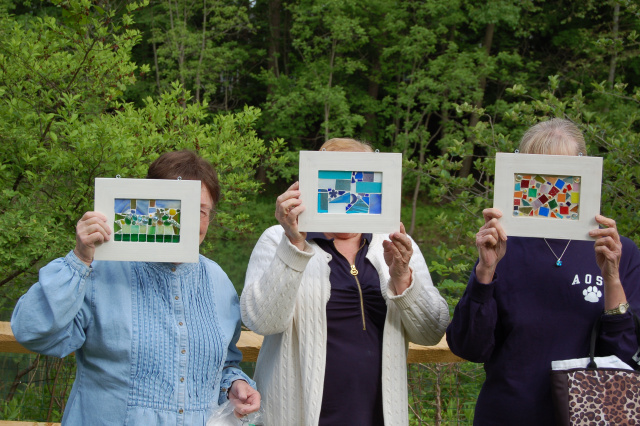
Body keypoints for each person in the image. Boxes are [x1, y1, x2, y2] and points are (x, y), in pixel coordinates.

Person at [11, 150, 260, 425]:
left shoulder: (218, 280)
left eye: (200, 211)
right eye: (175, 209)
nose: (188, 223)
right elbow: (32, 332)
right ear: (148, 208)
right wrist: (79, 259)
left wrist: (233, 385)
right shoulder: (98, 271)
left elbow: (223, 362)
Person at [240, 138, 450, 426]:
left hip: (377, 416)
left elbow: (431, 333)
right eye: (334, 179)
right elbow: (262, 322)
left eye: (359, 179)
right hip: (296, 416)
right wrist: (293, 245)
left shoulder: (395, 244)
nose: (347, 192)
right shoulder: (278, 239)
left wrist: (402, 277)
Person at [446, 118, 640, 425]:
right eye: (541, 173)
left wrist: (612, 278)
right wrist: (485, 270)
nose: (552, 186)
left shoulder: (616, 250)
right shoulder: (501, 247)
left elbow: (625, 356)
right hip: (508, 414)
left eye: (565, 175)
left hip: (590, 415)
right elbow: (470, 346)